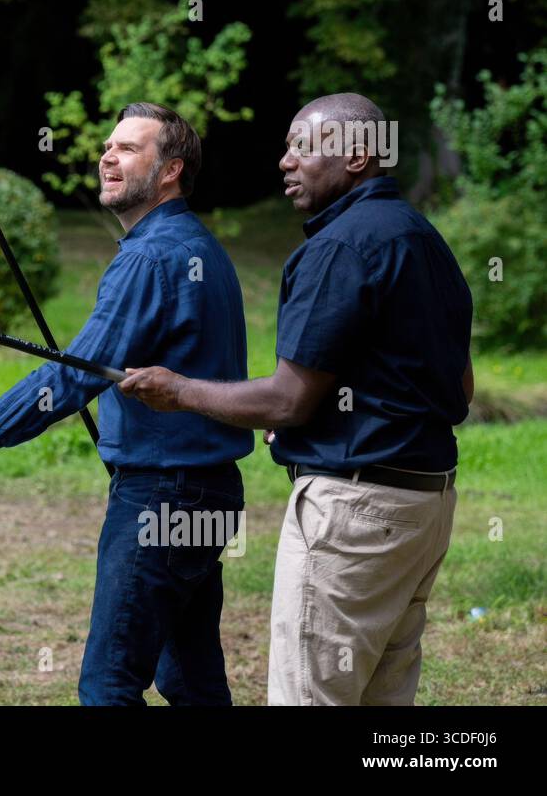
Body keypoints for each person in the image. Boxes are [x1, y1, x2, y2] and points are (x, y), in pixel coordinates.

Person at [0, 103, 252, 705]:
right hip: (208, 493)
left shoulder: (150, 257)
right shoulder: (199, 248)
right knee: (190, 678)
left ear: (170, 171)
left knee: (108, 686)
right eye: (107, 146)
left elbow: (70, 379)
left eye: (129, 149)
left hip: (160, 496)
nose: (107, 156)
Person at [119, 92, 474, 705]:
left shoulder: (339, 247)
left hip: (353, 514)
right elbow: (457, 387)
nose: (285, 161)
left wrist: (176, 389)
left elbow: (287, 400)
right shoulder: (422, 238)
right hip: (426, 505)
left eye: (303, 147)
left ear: (358, 157)